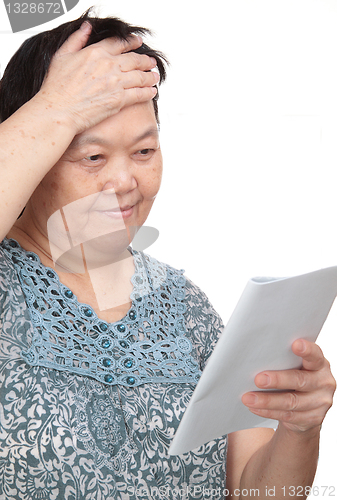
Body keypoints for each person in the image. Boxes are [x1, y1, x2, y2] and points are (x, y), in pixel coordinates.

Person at [0, 9, 335, 500]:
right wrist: (57, 107)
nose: (124, 183)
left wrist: (299, 429)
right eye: (92, 157)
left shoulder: (187, 309)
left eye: (143, 152)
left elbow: (257, 492)